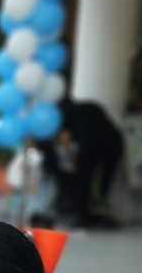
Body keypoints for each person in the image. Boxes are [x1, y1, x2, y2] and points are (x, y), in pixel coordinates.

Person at [38, 96, 125, 229]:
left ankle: (84, 214)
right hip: (112, 143)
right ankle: (97, 210)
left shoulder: (62, 115)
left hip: (94, 145)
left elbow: (64, 140)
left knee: (83, 179)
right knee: (99, 181)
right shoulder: (90, 108)